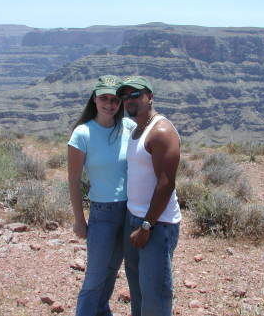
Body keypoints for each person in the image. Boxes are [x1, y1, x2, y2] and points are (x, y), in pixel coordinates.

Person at [68, 75, 136, 316]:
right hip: (102, 213)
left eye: (115, 99)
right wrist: (79, 220)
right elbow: (74, 181)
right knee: (95, 277)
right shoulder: (82, 134)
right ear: (94, 100)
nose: (110, 104)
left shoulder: (128, 127)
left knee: (111, 273)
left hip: (130, 212)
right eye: (104, 98)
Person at [116, 76, 181, 316]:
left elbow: (166, 184)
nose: (129, 100)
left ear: (150, 97)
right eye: (125, 96)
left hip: (156, 224)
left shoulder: (161, 131)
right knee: (138, 289)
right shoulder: (137, 129)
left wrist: (147, 225)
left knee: (155, 294)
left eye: (135, 95)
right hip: (134, 219)